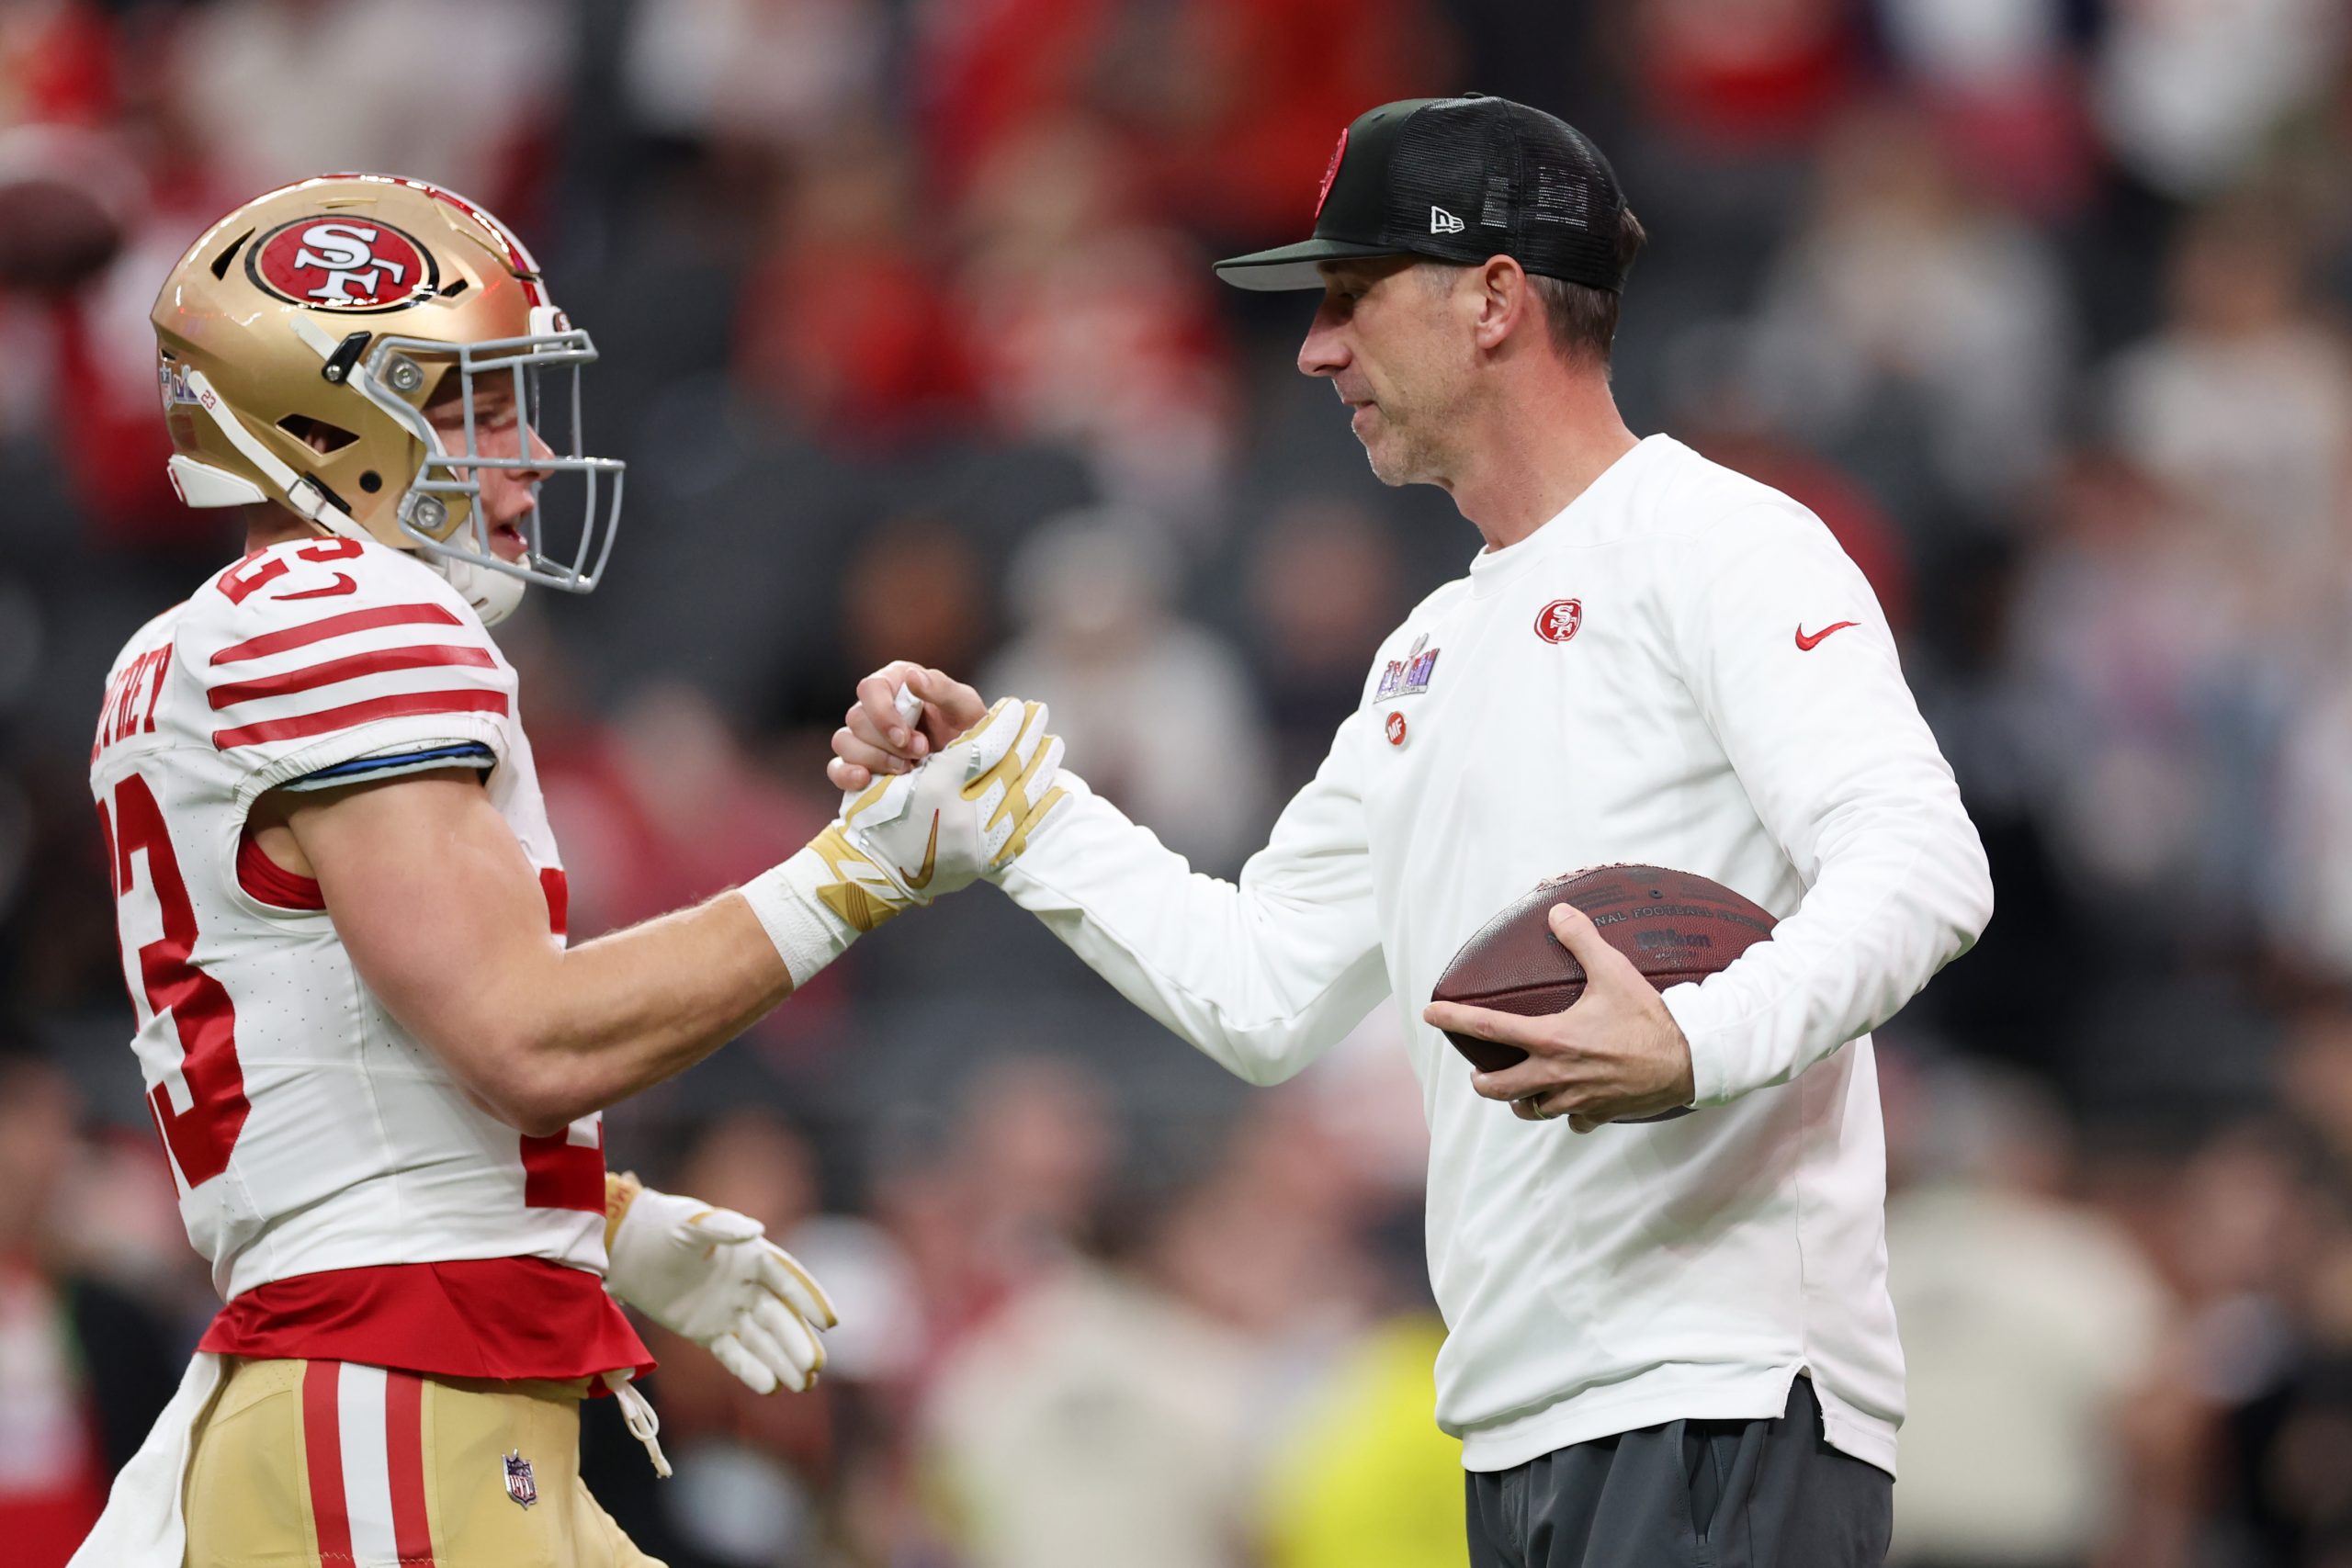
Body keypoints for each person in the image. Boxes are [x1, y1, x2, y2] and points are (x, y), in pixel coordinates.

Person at [831, 95, 1993, 1566]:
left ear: (1494, 298)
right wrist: (1002, 798)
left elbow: (1924, 860)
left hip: (1723, 1396)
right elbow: (1258, 991)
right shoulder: (1425, 653)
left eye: (1348, 297)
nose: (1317, 349)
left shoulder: (1721, 543)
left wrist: (1700, 1042)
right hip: (1516, 1424)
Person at [79, 173, 1067, 1568]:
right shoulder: (351, 615)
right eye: (481, 406)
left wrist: (605, 1223)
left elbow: (337, 1067)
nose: (530, 452)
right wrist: (859, 870)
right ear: (331, 416)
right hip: (389, 1387)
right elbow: (521, 1037)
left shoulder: (221, 641)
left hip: (408, 1379)